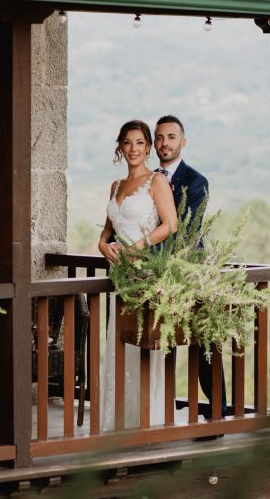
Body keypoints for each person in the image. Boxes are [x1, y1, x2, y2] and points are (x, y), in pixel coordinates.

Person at [98, 120, 177, 430]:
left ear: (148, 148)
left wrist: (137, 247)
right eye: (127, 142)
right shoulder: (115, 186)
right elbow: (107, 231)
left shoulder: (156, 181)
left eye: (140, 143)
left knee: (144, 344)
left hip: (145, 273)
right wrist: (102, 245)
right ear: (120, 146)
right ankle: (120, 421)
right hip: (119, 276)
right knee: (119, 344)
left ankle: (149, 422)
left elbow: (170, 224)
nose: (133, 149)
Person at [153, 114, 227, 420]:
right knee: (158, 343)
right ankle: (161, 411)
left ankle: (218, 412)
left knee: (203, 343)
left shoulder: (197, 181)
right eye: (159, 138)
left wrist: (144, 251)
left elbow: (187, 230)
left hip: (191, 275)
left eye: (171, 137)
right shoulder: (148, 180)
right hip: (153, 278)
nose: (164, 143)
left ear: (183, 142)